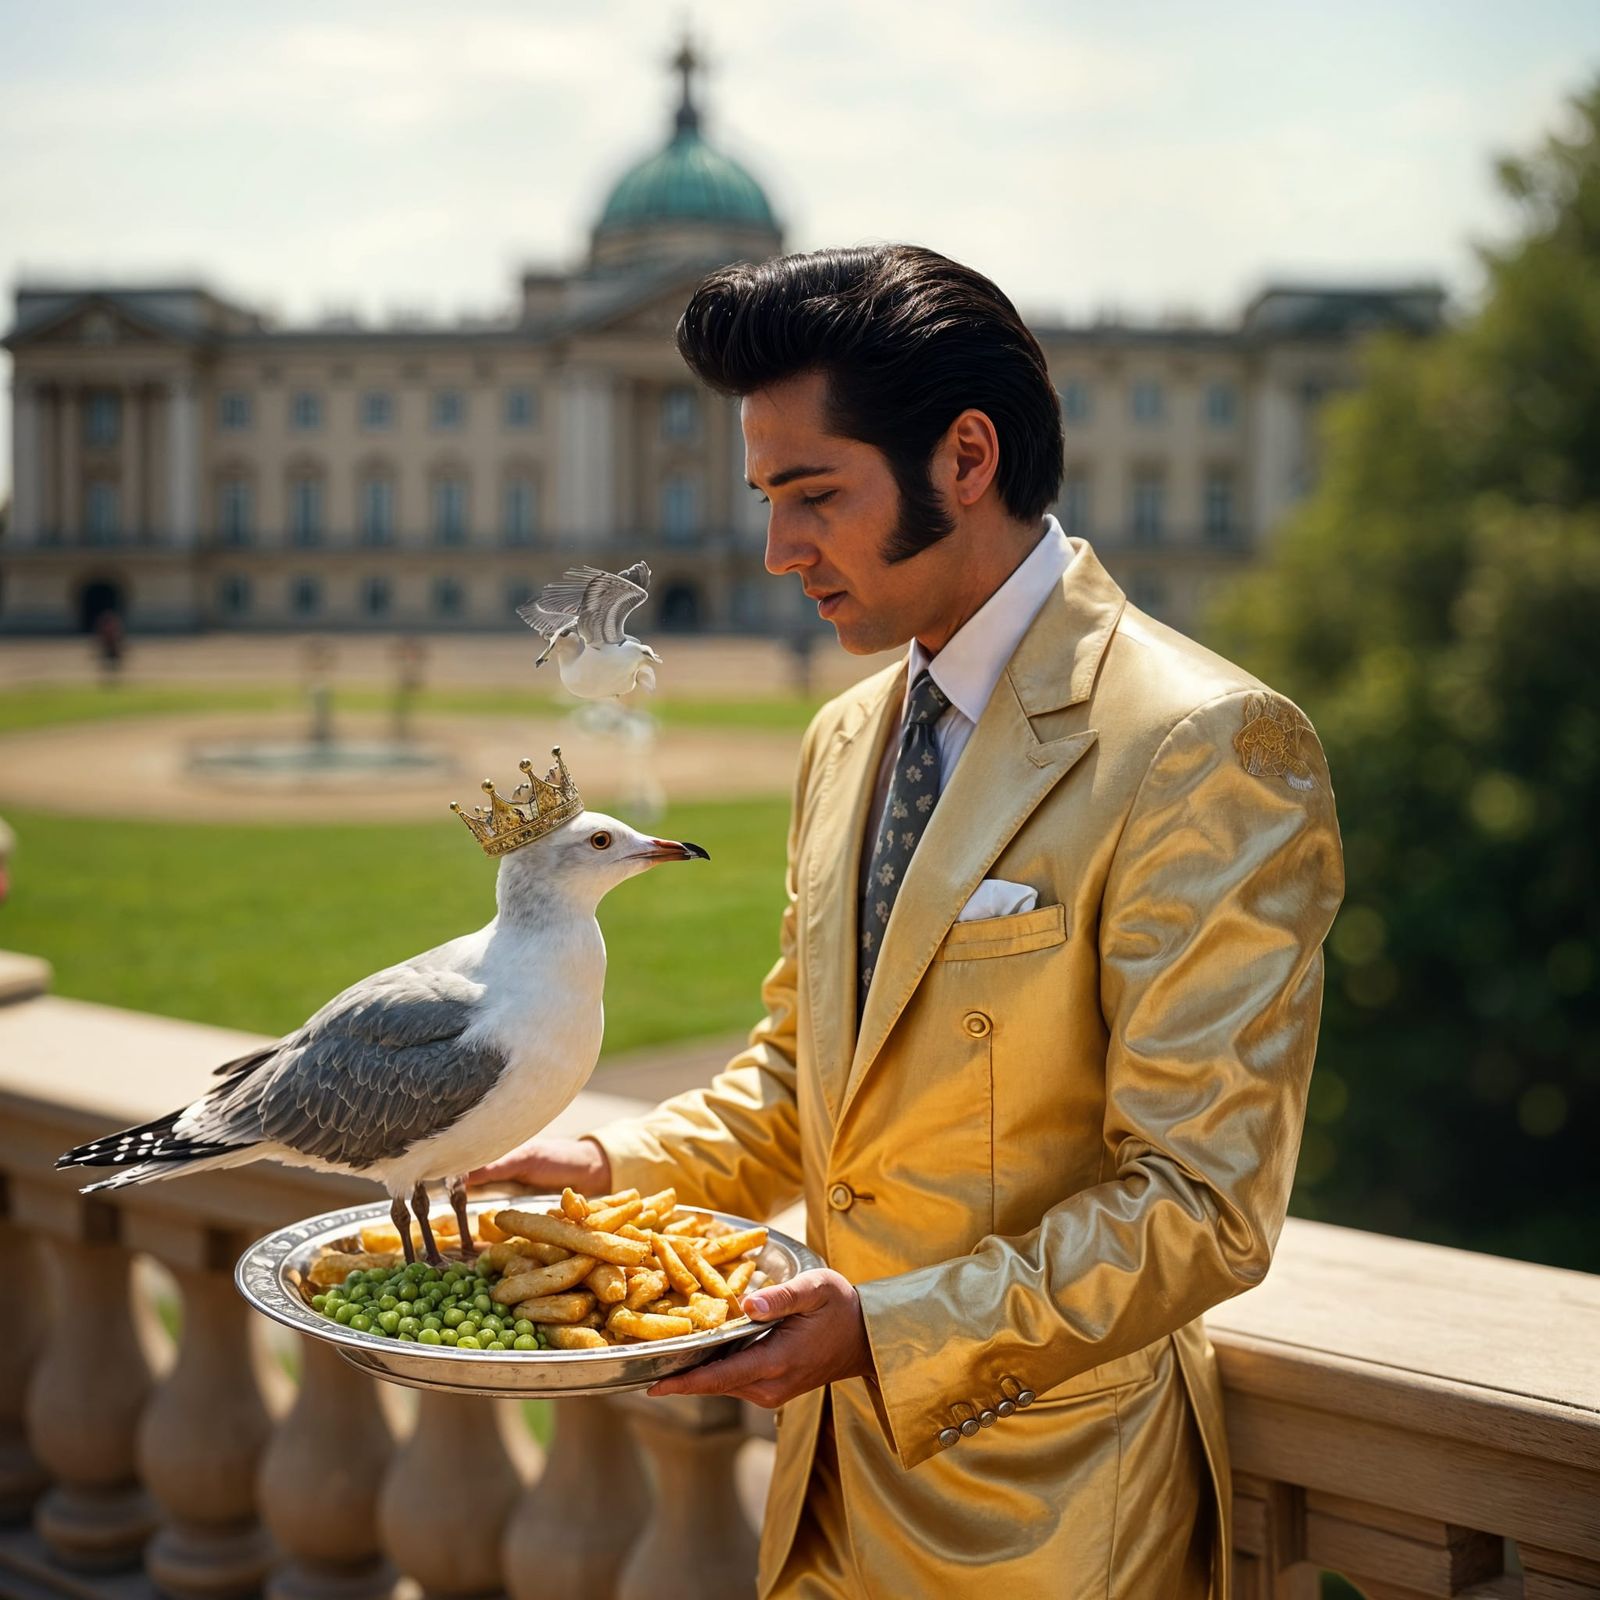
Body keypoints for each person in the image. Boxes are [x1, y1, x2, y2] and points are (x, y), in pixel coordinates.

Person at [472, 245, 1345, 1599]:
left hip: (1054, 1525)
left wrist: (885, 1330)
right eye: (768, 500)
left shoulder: (1207, 745)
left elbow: (1203, 1204)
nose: (779, 550)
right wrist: (609, 1170)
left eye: (815, 495)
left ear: (967, 458)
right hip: (823, 1500)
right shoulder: (844, 736)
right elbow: (803, 1077)